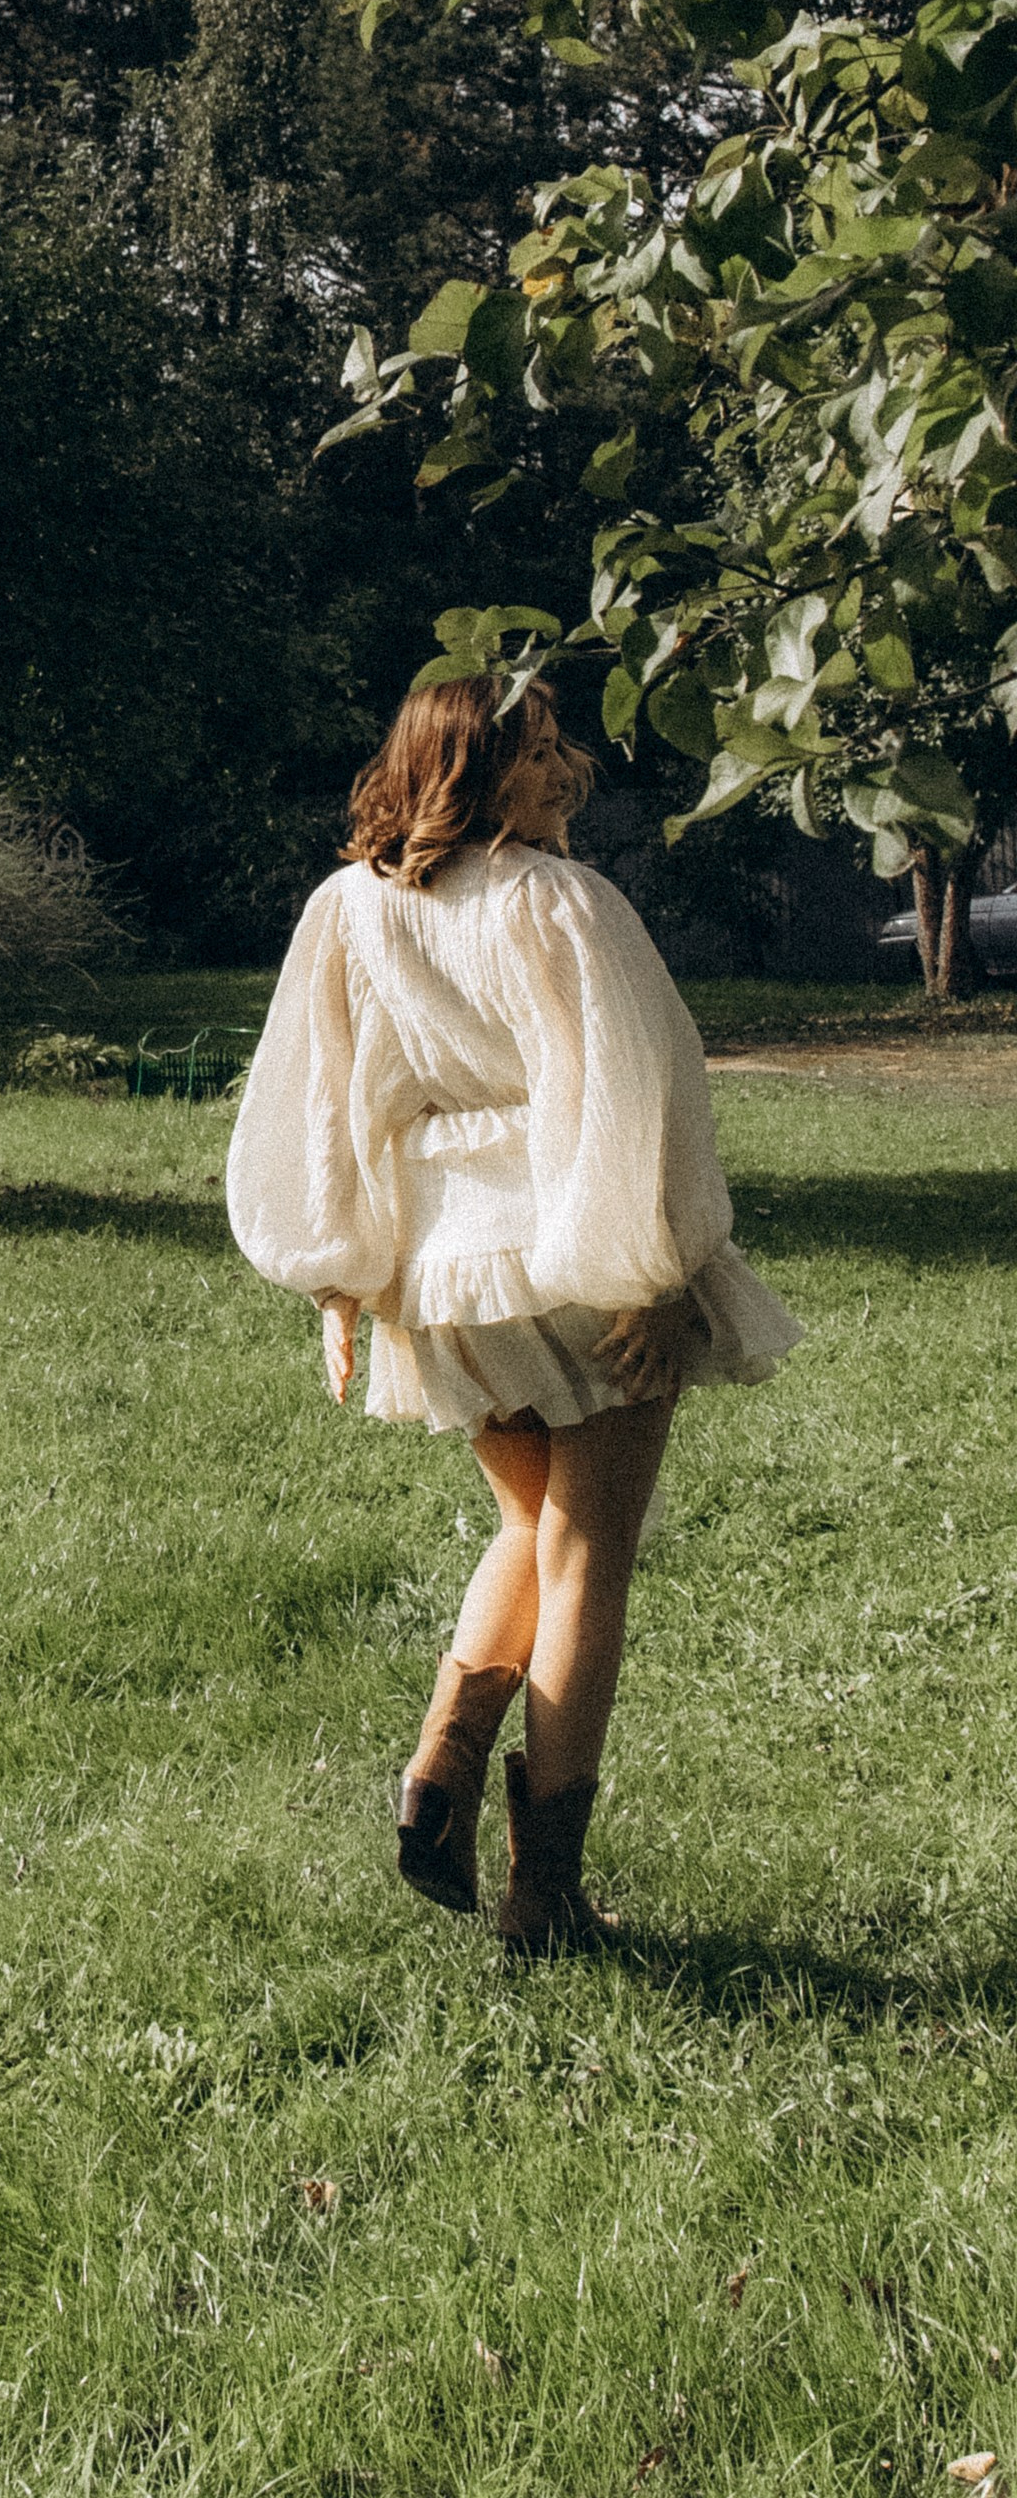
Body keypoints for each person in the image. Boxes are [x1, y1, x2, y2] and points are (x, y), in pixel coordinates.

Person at [225, 677, 801, 1953]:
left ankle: (439, 1777)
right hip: (573, 1252)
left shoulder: (348, 909)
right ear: (467, 770)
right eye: (532, 753)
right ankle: (546, 1897)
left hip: (448, 1272)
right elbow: (638, 1086)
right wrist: (658, 1272)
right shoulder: (559, 902)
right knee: (589, 1554)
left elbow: (321, 1103)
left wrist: (341, 1275)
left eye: (554, 748)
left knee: (529, 1524)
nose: (562, 771)